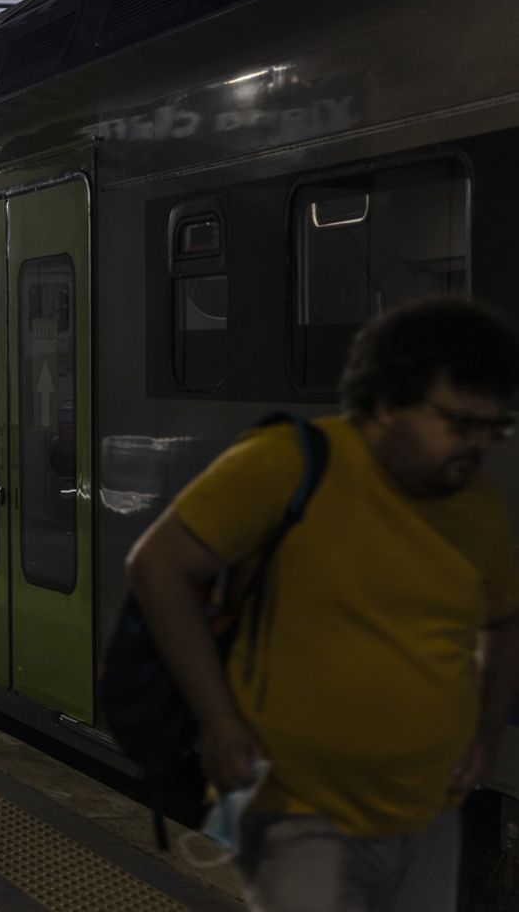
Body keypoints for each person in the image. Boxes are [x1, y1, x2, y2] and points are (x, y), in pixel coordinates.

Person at [125, 297, 519, 912]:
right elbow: (159, 566)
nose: (477, 445)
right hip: (300, 812)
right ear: (388, 404)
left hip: (426, 814)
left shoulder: (480, 507)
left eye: (492, 428)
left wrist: (486, 733)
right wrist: (219, 719)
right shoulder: (289, 463)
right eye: (459, 424)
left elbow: (502, 619)